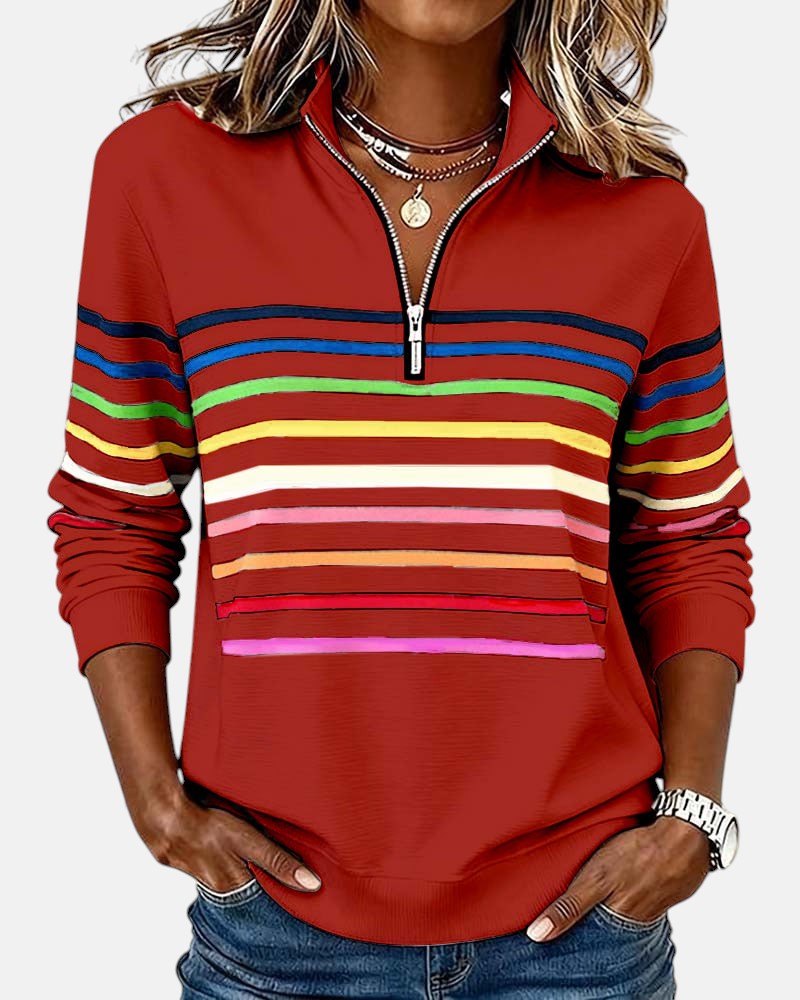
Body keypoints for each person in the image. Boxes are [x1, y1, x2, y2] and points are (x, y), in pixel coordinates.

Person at [46, 2, 755, 997]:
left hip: (581, 938)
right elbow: (115, 508)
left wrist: (690, 816)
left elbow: (687, 535)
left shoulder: (645, 217)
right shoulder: (164, 177)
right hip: (276, 932)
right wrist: (154, 801)